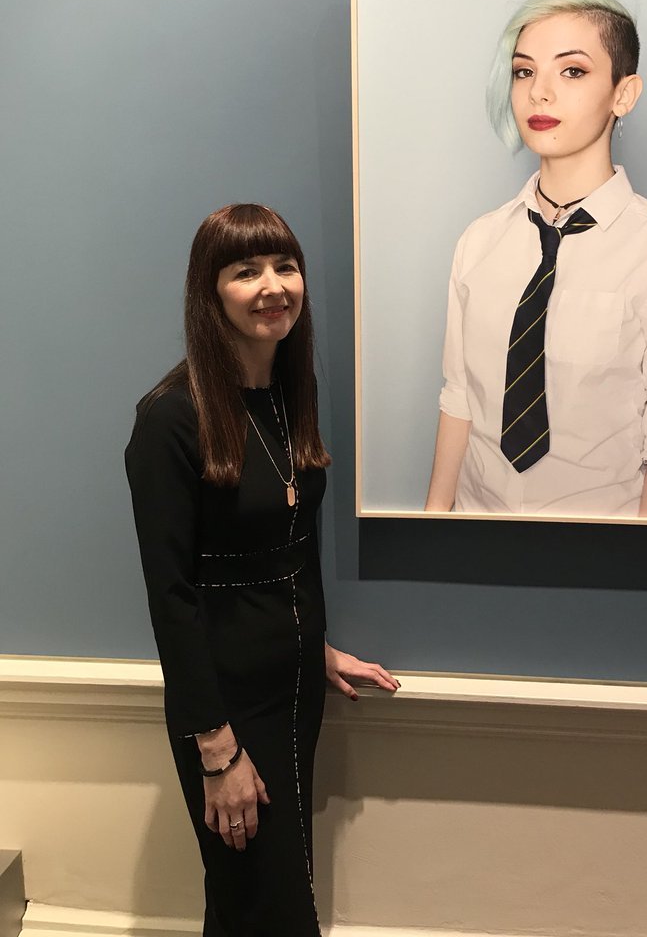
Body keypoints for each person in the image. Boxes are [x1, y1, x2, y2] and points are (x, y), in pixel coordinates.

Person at [125, 203, 399, 936]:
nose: (273, 285)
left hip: (294, 685)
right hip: (226, 705)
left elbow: (291, 546)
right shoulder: (170, 419)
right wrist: (217, 751)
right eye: (246, 271)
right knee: (266, 904)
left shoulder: (288, 395)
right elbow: (171, 598)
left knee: (264, 897)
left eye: (284, 265)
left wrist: (317, 643)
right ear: (210, 294)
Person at [425, 0, 647, 520]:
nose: (539, 93)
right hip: (475, 536)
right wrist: (433, 526)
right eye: (524, 71)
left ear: (623, 94)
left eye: (572, 71)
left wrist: (640, 562)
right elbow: (459, 397)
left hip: (604, 553)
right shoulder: (479, 242)